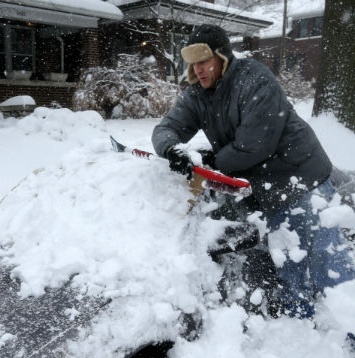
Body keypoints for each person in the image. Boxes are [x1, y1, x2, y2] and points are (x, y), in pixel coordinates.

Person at [152, 24, 355, 320]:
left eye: (205, 61)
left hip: (303, 177)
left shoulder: (253, 79)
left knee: (329, 263)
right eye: (194, 63)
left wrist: (211, 159)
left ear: (222, 57)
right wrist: (172, 149)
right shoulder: (197, 94)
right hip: (269, 189)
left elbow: (253, 146)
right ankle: (302, 330)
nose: (199, 70)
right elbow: (166, 128)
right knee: (290, 265)